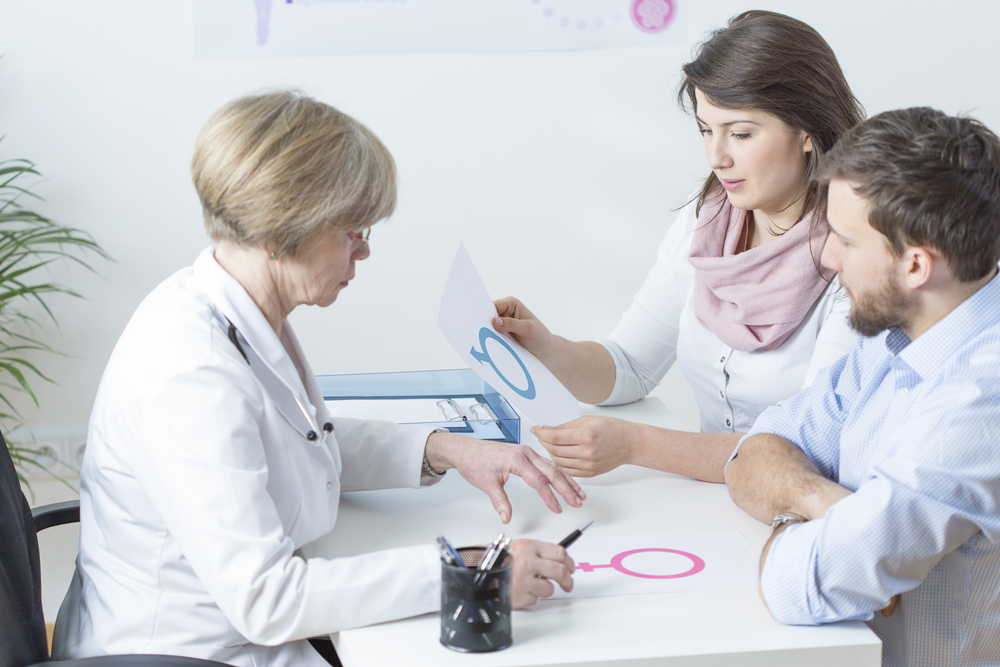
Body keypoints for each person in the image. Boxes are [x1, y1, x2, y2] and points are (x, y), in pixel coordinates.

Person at [52, 90, 585, 667]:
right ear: (278, 232)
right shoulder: (190, 381)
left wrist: (447, 449)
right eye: (352, 230)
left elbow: (296, 439)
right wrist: (470, 569)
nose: (365, 251)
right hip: (190, 652)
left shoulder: (225, 303)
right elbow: (268, 602)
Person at [493, 10, 862, 482]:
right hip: (715, 503)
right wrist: (546, 348)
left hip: (806, 504)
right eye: (706, 130)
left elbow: (808, 443)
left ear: (807, 131)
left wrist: (636, 444)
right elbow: (629, 368)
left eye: (740, 134)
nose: (716, 156)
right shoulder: (705, 221)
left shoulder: (857, 254)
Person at [725, 107, 1000, 666]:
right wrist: (823, 504)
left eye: (846, 241)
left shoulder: (980, 402)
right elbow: (757, 447)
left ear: (916, 266)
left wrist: (796, 525)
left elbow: (797, 584)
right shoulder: (902, 333)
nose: (827, 257)